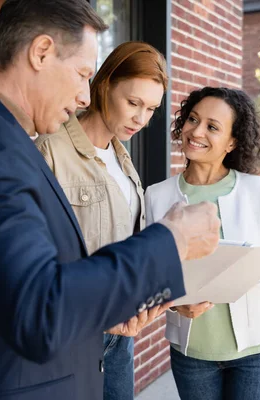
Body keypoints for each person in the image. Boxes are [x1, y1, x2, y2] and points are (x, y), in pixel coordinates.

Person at [0, 2, 221, 400]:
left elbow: (19, 290)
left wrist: (102, 311)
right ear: (41, 52)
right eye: (83, 74)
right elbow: (40, 314)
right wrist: (173, 240)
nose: (86, 95)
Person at [145, 87, 260, 400]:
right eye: (193, 119)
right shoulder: (157, 196)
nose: (197, 131)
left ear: (232, 142)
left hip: (259, 355)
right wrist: (176, 301)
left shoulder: (259, 191)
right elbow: (150, 277)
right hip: (192, 355)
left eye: (212, 127)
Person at [36, 41, 167, 400]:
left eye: (151, 108)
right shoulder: (50, 150)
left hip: (119, 340)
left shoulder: (123, 161)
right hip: (71, 340)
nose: (141, 118)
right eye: (134, 103)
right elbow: (37, 260)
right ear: (105, 84)